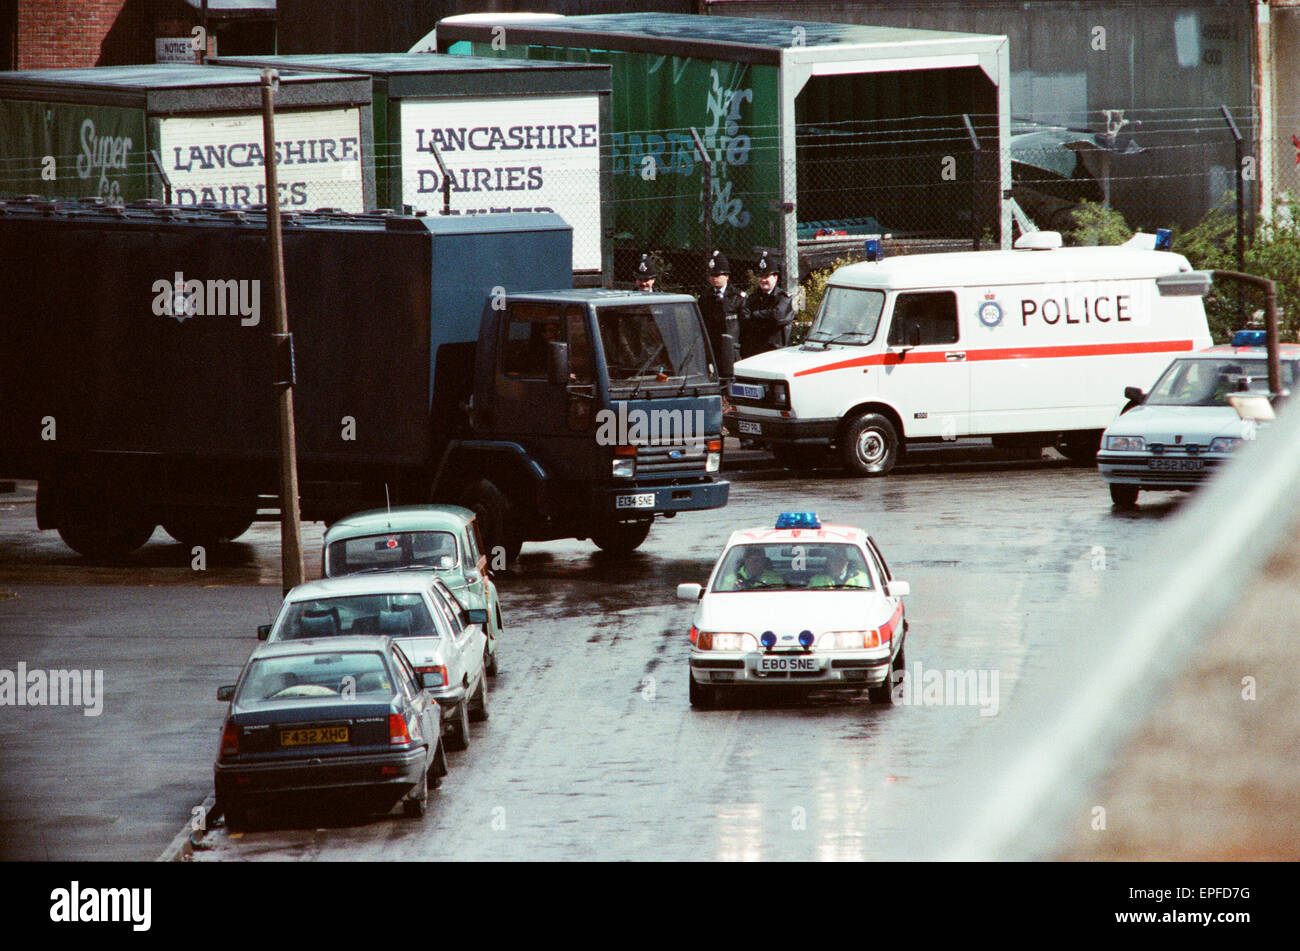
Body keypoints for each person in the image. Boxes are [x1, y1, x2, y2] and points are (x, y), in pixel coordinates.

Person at [697, 250, 747, 369]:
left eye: (717, 275)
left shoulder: (737, 297)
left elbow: (745, 325)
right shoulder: (705, 297)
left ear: (726, 276)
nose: (714, 279)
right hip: (713, 348)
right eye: (712, 275)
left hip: (733, 349)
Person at [741, 254, 794, 358]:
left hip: (776, 352)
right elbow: (745, 318)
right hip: (755, 350)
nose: (762, 280)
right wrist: (766, 315)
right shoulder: (753, 298)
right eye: (760, 277)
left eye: (766, 276)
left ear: (775, 277)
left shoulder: (783, 298)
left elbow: (777, 317)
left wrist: (755, 315)